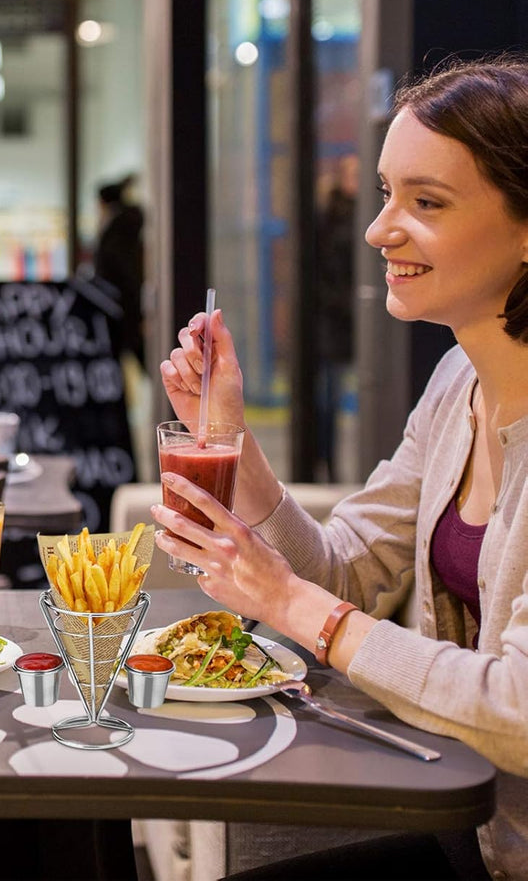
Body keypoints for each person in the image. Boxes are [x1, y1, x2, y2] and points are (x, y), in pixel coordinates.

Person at [155, 55, 528, 881]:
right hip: (469, 833)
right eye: (386, 194)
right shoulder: (457, 384)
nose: (379, 230)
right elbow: (347, 571)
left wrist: (292, 604)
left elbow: (519, 714)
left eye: (426, 202)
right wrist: (233, 443)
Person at [314, 152, 358, 481]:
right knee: (329, 396)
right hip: (334, 322)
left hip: (359, 319)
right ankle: (328, 466)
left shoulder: (369, 213)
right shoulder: (329, 217)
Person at [93, 174, 146, 367]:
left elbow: (125, 274)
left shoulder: (117, 232)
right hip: (123, 307)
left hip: (122, 308)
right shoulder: (123, 228)